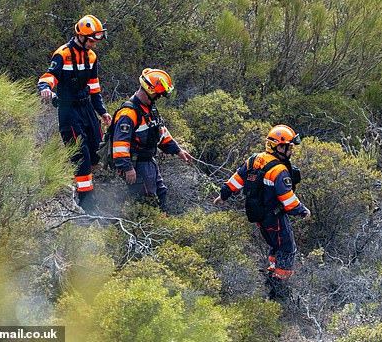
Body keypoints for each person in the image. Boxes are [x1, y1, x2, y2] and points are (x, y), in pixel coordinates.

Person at [214, 125, 311, 282]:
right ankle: (280, 286)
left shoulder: (254, 159)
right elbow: (287, 199)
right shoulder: (279, 170)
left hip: (258, 215)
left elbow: (237, 179)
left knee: (275, 246)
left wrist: (223, 195)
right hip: (274, 216)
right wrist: (302, 211)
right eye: (289, 147)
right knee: (287, 250)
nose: (291, 151)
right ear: (278, 146)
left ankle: (272, 275)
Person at [38, 14, 112, 214]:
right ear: (80, 36)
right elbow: (49, 76)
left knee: (97, 150)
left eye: (95, 41)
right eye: (90, 40)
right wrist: (45, 88)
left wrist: (102, 112)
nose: (93, 44)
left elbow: (94, 88)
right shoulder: (62, 54)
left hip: (87, 108)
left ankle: (86, 183)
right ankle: (86, 203)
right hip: (68, 110)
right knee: (80, 156)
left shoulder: (92, 57)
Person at [111, 68, 193, 211]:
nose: (159, 97)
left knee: (160, 194)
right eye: (158, 94)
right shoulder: (129, 113)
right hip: (137, 165)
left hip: (149, 162)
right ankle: (143, 231)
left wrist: (178, 150)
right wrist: (128, 168)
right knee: (147, 202)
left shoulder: (150, 109)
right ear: (150, 91)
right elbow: (119, 145)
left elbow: (160, 133)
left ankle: (158, 227)